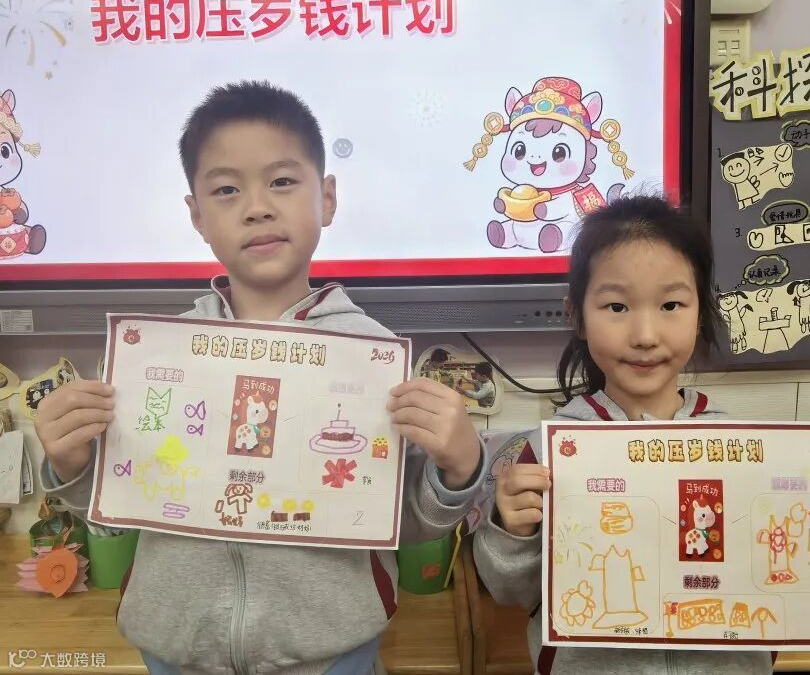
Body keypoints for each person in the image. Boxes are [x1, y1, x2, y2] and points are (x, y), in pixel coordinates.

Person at [35, 81, 485, 675]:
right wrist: (71, 464)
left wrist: (459, 469)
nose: (257, 207)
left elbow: (403, 520)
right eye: (227, 189)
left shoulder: (372, 355)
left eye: (282, 181)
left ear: (327, 198)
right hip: (176, 646)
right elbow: (117, 499)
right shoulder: (159, 357)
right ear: (197, 216)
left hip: (331, 654)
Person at [472, 194, 771, 674]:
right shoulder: (547, 451)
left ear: (700, 312)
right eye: (616, 306)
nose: (645, 335)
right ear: (577, 315)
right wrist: (513, 533)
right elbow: (510, 591)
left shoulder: (743, 448)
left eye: (671, 304)